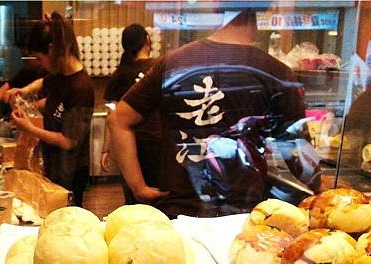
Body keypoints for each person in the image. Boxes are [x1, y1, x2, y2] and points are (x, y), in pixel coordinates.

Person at [107, 10, 306, 217]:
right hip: (243, 216)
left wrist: (138, 187)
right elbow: (299, 156)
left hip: (179, 212)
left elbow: (118, 120)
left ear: (214, 9)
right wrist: (318, 184)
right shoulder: (276, 71)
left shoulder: (174, 62)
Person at [7, 12, 95, 207]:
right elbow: (44, 82)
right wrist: (25, 90)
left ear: (52, 49)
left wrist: (29, 127)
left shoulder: (80, 87)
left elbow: (68, 141)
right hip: (54, 166)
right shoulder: (61, 74)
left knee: (66, 221)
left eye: (39, 58)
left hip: (70, 173)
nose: (40, 64)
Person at [101, 24, 161, 204]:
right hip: (157, 144)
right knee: (159, 198)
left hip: (128, 145)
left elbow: (112, 115)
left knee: (134, 197)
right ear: (147, 40)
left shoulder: (120, 73)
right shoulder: (158, 68)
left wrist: (106, 149)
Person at [0, 47, 47, 120]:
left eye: (26, 56)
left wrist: (27, 108)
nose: (24, 60)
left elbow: (49, 100)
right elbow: (8, 85)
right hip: (31, 117)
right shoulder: (27, 71)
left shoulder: (51, 73)